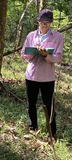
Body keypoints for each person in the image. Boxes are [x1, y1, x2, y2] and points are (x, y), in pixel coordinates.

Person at [21, 9, 64, 140]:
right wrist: (33, 52)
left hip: (47, 77)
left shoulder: (58, 37)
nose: (44, 25)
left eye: (47, 23)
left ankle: (52, 132)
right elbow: (23, 54)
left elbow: (59, 57)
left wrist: (46, 55)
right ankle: (32, 128)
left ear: (51, 23)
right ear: (37, 21)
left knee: (49, 105)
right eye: (42, 22)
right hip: (31, 75)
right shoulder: (31, 35)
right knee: (31, 103)